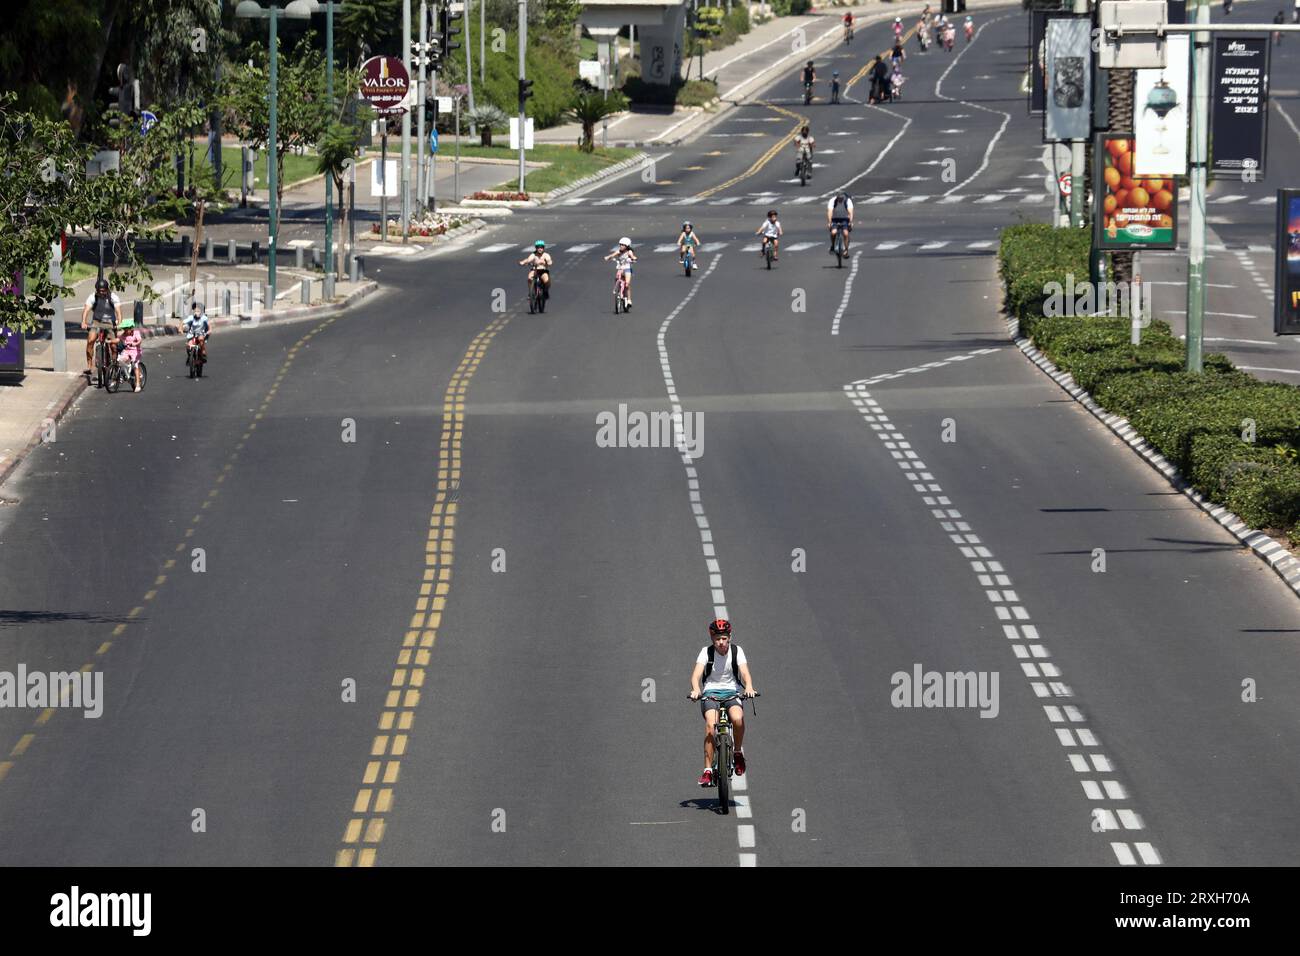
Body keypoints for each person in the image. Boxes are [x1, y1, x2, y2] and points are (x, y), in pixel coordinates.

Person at [688, 618, 757, 787]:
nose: (721, 642)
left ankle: (737, 752)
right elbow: (696, 675)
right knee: (711, 726)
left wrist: (748, 686)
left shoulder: (737, 651)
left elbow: (745, 673)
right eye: (717, 639)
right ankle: (707, 771)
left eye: (724, 638)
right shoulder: (706, 652)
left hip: (732, 693)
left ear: (729, 637)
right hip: (710, 693)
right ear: (712, 639)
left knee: (738, 719)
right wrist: (696, 689)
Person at [80, 277, 122, 383]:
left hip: (110, 323)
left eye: (103, 290)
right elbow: (86, 310)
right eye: (99, 290)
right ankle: (90, 366)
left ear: (107, 289)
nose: (101, 292)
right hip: (96, 322)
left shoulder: (113, 297)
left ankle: (114, 366)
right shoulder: (93, 296)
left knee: (113, 346)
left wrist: (119, 323)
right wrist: (84, 322)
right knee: (90, 341)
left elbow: (118, 311)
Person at [113, 315, 143, 392]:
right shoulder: (123, 335)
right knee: (121, 360)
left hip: (136, 351)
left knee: (135, 365)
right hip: (127, 351)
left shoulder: (136, 333)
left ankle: (138, 384)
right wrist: (110, 341)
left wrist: (135, 344)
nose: (125, 331)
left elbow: (139, 340)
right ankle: (123, 375)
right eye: (124, 329)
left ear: (131, 328)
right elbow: (117, 339)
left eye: (127, 329)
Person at [603, 237, 636, 306]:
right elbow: (612, 255)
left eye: (623, 245)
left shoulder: (629, 252)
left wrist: (633, 258)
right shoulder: (619, 251)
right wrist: (608, 257)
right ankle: (618, 287)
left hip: (627, 268)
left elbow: (633, 256)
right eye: (620, 244)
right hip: (621, 268)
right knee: (617, 278)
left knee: (627, 284)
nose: (621, 246)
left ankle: (629, 300)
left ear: (627, 246)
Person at [184, 300, 210, 366]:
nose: (196, 313)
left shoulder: (204, 318)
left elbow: (209, 327)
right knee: (188, 346)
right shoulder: (191, 318)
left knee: (201, 339)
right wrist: (181, 329)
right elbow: (183, 323)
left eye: (198, 311)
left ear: (201, 312)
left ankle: (203, 353)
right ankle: (190, 357)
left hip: (201, 334)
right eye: (195, 311)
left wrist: (209, 331)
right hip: (192, 335)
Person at [827, 190, 854, 255]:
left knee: (846, 233)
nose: (840, 199)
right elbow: (830, 212)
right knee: (833, 232)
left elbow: (850, 212)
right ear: (837, 197)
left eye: (842, 198)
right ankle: (833, 246)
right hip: (835, 219)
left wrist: (850, 222)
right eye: (839, 198)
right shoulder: (832, 201)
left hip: (845, 219)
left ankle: (846, 250)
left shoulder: (848, 201)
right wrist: (830, 222)